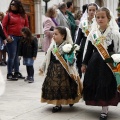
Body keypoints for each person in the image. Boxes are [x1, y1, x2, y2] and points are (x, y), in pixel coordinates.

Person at [81, 7, 120, 120]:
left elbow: (117, 50)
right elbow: (88, 50)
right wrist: (84, 64)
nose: (100, 19)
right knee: (95, 84)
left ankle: (105, 109)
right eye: (98, 17)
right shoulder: (93, 33)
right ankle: (100, 104)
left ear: (109, 18)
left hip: (108, 64)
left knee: (105, 85)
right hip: (95, 63)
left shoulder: (114, 33)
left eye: (103, 17)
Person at [39, 26, 82, 113]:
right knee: (55, 86)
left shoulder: (68, 46)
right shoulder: (52, 45)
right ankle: (57, 104)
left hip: (64, 70)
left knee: (66, 86)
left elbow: (71, 60)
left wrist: (70, 57)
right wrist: (42, 67)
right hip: (53, 69)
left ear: (63, 36)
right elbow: (47, 57)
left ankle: (70, 100)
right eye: (53, 34)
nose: (53, 36)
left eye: (56, 34)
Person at [2, 0, 29, 80]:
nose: (12, 6)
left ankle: (17, 72)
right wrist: (7, 37)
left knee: (17, 57)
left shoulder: (24, 15)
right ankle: (9, 74)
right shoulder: (8, 15)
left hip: (21, 38)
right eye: (11, 4)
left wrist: (26, 35)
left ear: (18, 5)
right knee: (12, 56)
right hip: (12, 38)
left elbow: (26, 26)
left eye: (14, 4)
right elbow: (3, 27)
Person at [75, 3, 98, 77]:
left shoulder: (99, 22)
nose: (92, 12)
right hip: (84, 44)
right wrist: (75, 48)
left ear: (96, 11)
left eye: (94, 10)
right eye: (90, 10)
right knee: (81, 64)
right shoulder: (83, 22)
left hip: (95, 44)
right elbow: (79, 37)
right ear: (87, 11)